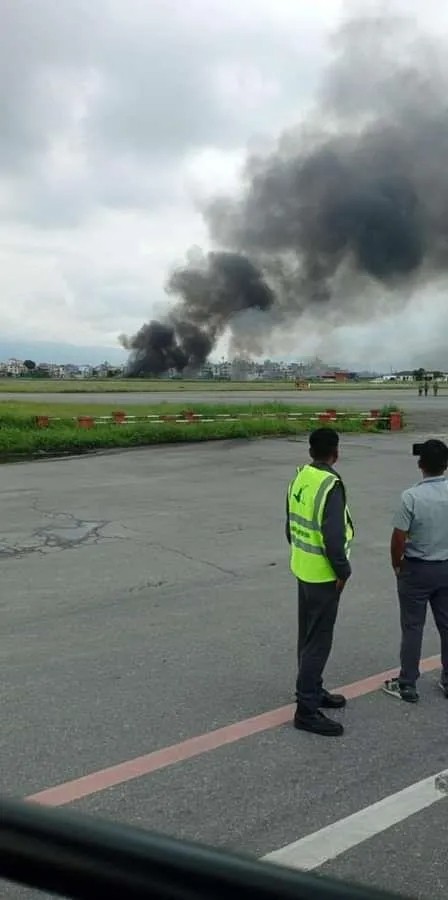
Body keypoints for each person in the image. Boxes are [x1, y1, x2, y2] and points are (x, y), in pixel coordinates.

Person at [286, 428, 354, 736]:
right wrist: (343, 571)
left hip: (302, 567)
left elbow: (289, 526)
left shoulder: (301, 476)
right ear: (335, 452)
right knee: (318, 642)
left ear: (311, 451)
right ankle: (307, 710)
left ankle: (312, 688)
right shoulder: (331, 484)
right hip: (324, 575)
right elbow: (334, 538)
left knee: (307, 636)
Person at [383, 439, 448, 702]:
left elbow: (399, 537)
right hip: (445, 567)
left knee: (413, 626)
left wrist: (397, 564)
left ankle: (408, 682)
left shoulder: (411, 496)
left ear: (421, 465)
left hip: (417, 569)